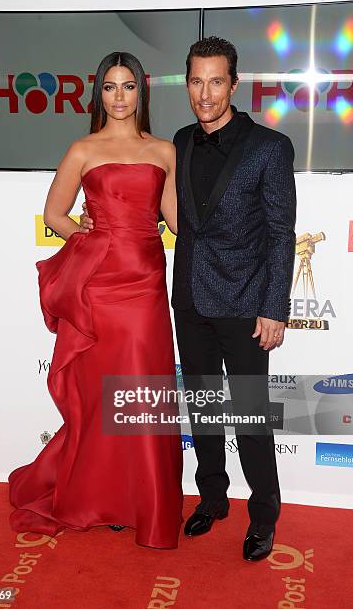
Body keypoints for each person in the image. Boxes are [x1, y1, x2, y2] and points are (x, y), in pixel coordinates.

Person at [81, 37, 296, 561]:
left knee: (248, 418)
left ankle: (263, 515)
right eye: (196, 82)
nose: (205, 93)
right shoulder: (176, 141)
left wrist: (274, 307)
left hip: (247, 307)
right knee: (202, 413)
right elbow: (151, 206)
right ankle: (213, 498)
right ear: (187, 85)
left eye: (216, 81)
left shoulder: (269, 147)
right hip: (190, 301)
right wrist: (92, 223)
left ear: (234, 84)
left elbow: (281, 233)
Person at [8, 52, 183, 550]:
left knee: (142, 395)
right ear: (98, 94)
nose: (120, 96)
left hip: (146, 283)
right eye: (110, 87)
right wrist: (87, 235)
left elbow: (174, 219)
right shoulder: (83, 149)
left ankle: (143, 504)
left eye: (128, 87)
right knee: (102, 394)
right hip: (99, 289)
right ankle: (97, 497)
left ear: (141, 92)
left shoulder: (165, 151)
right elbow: (54, 214)